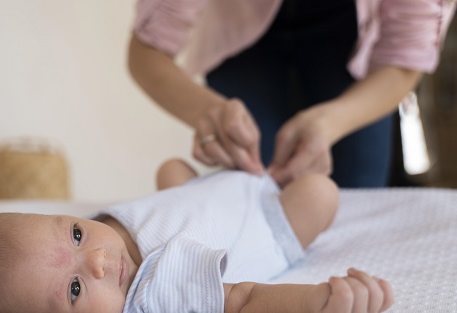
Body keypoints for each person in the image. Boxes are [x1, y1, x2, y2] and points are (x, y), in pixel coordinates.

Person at [0, 159, 393, 313]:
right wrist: (315, 302)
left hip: (201, 190)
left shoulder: (90, 240)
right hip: (263, 218)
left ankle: (239, 172)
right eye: (73, 290)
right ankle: (282, 183)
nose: (98, 261)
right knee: (320, 191)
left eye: (75, 234)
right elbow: (244, 297)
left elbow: (19, 262)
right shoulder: (153, 288)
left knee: (171, 168)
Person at [128, 0, 456, 188]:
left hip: (348, 34)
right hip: (241, 40)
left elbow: (403, 59)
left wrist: (329, 122)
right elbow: (147, 49)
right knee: (256, 182)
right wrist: (207, 112)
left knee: (358, 185)